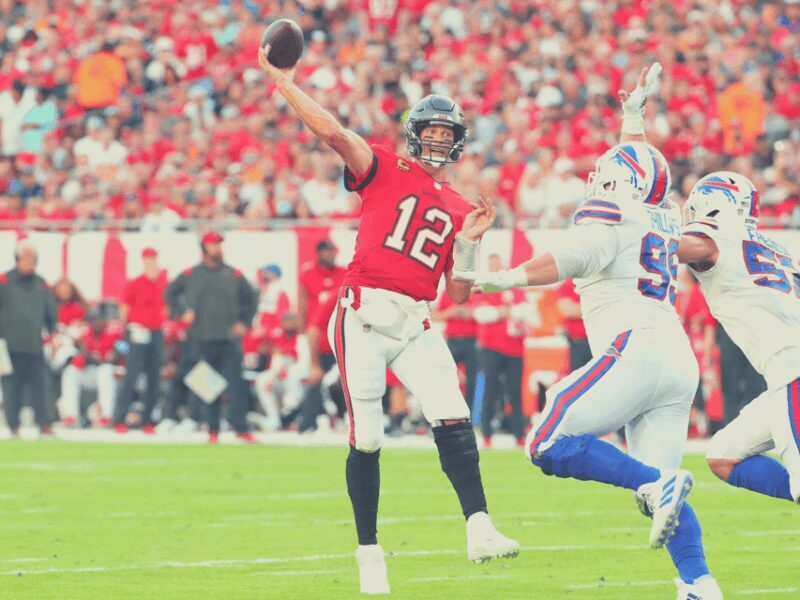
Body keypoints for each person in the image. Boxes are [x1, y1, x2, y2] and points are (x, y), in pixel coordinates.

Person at [258, 44, 518, 594]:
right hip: (363, 316)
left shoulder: (458, 206)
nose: (442, 140)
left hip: (416, 319)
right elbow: (332, 132)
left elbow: (461, 293)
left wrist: (470, 244)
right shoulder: (384, 166)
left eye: (451, 133)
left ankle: (480, 527)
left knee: (452, 412)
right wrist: (282, 81)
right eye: (435, 130)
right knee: (369, 438)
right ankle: (369, 553)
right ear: (415, 131)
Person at [459, 65, 722, 599]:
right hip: (677, 358)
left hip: (636, 346)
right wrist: (634, 121)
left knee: (544, 440)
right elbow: (639, 170)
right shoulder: (664, 212)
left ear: (618, 179)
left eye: (609, 166)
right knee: (662, 497)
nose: (600, 172)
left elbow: (571, 257)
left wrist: (499, 278)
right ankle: (699, 585)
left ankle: (657, 488)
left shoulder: (609, 207)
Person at [677, 171, 800, 508]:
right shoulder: (775, 245)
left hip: (791, 367)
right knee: (723, 455)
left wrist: (640, 236)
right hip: (784, 373)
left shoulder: (716, 234)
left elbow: (686, 245)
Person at [166, 231, 258, 444]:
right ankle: (212, 428)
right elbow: (170, 294)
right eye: (214, 244)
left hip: (229, 339)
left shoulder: (232, 274)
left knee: (237, 385)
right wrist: (182, 313)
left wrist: (244, 322)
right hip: (201, 338)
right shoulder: (191, 274)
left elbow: (251, 300)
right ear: (205, 247)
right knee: (208, 386)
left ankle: (241, 428)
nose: (218, 248)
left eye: (219, 244)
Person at [0, 240, 57, 436]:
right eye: (24, 257)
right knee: (10, 388)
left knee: (41, 387)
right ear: (17, 259)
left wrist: (54, 334)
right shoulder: (4, 281)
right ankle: (13, 427)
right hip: (7, 345)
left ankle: (45, 425)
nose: (28, 261)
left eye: (32, 258)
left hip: (34, 344)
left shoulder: (42, 284)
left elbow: (50, 314)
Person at [472, 254, 527, 447]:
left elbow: (525, 310)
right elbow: (481, 314)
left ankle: (519, 434)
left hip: (515, 349)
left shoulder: (513, 288)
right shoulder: (483, 287)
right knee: (490, 390)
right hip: (491, 347)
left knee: (515, 392)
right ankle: (486, 434)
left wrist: (502, 313)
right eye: (492, 264)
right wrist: (502, 312)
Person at [112, 248, 167, 434]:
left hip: (156, 331)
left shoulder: (162, 283)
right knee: (132, 374)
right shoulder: (135, 283)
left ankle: (148, 420)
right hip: (138, 330)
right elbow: (124, 307)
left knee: (154, 377)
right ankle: (119, 417)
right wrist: (125, 330)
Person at [59, 308, 122, 428]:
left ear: (104, 319)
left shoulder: (115, 331)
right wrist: (84, 354)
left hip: (116, 373)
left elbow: (127, 349)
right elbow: (83, 357)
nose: (94, 323)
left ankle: (106, 416)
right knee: (70, 372)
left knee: (105, 370)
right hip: (95, 371)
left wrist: (117, 349)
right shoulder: (86, 335)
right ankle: (72, 416)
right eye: (91, 320)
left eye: (97, 319)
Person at [432, 291, 479, 416]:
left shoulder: (476, 291)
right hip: (453, 340)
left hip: (472, 340)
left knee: (472, 380)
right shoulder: (447, 292)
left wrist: (471, 313)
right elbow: (433, 315)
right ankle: (446, 413)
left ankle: (470, 415)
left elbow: (487, 313)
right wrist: (451, 312)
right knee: (446, 377)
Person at [298, 239, 345, 328]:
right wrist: (302, 324)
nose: (331, 255)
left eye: (333, 252)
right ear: (319, 253)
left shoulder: (344, 272)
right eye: (327, 252)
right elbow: (303, 301)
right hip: (315, 326)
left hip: (337, 324)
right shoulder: (308, 273)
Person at [555, 279, 592, 370]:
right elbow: (568, 311)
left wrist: (578, 307)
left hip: (599, 340)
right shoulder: (567, 285)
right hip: (578, 343)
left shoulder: (598, 284)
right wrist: (594, 306)